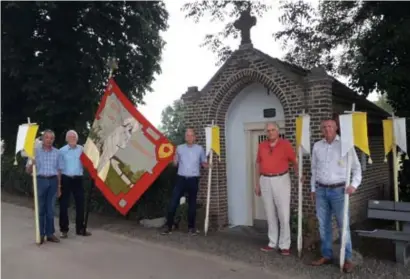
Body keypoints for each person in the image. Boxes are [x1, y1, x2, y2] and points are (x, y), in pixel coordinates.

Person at [310, 119, 362, 273]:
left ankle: (347, 258)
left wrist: (354, 185)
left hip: (339, 191)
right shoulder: (317, 146)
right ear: (321, 129)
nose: (327, 129)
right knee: (323, 225)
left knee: (343, 225)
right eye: (324, 127)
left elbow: (357, 168)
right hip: (321, 190)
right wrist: (313, 188)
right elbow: (314, 169)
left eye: (330, 126)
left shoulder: (345, 145)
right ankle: (326, 255)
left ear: (336, 128)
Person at [255, 122, 299, 256]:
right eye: (268, 130)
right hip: (265, 179)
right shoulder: (262, 145)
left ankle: (285, 244)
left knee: (283, 213)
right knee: (269, 212)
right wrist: (257, 183)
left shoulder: (285, 144)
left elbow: (294, 161)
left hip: (281, 179)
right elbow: (258, 163)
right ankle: (272, 242)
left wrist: (298, 173)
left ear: (277, 131)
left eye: (273, 130)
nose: (270, 132)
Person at [162, 128, 209, 236]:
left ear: (194, 137)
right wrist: (174, 162)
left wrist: (208, 165)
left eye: (191, 135)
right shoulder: (179, 148)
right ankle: (169, 227)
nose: (189, 137)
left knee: (192, 204)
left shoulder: (199, 149)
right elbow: (175, 164)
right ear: (185, 137)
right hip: (181, 179)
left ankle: (191, 228)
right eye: (187, 135)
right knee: (173, 202)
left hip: (193, 179)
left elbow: (203, 163)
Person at [26, 129, 62, 244]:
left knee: (50, 209)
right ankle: (40, 234)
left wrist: (59, 186)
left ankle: (50, 233)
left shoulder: (57, 153)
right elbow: (28, 170)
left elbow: (59, 171)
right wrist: (32, 164)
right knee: (40, 209)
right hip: (40, 181)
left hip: (53, 182)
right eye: (47, 138)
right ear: (43, 138)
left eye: (51, 138)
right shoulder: (34, 152)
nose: (49, 140)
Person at [59, 130, 91, 238]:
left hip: (78, 179)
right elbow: (58, 168)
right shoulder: (62, 151)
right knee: (64, 205)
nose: (72, 139)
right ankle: (64, 230)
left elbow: (90, 160)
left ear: (77, 139)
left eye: (74, 137)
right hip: (65, 179)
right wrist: (58, 184)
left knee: (80, 204)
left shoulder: (82, 150)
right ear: (67, 139)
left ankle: (80, 229)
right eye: (70, 137)